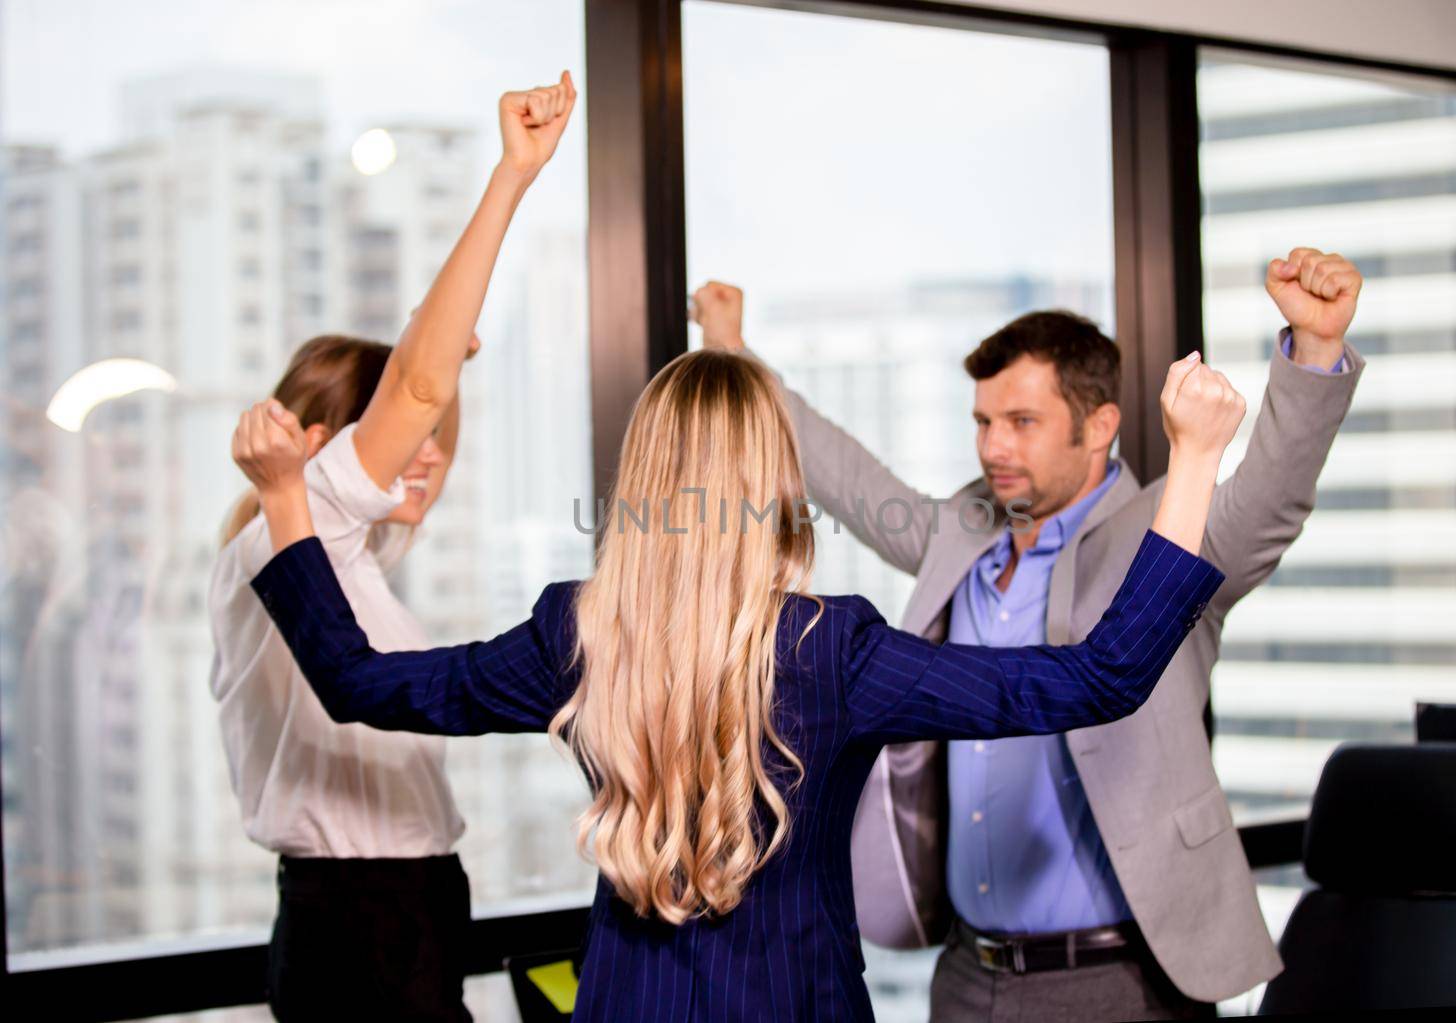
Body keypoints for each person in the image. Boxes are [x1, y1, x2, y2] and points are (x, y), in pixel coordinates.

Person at [229, 331, 1242, 1020]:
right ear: (772, 482)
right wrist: (1190, 459)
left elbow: (358, 680)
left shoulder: (570, 633)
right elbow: (1099, 679)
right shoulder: (833, 649)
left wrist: (286, 498)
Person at [691, 251, 1364, 1021]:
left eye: (1021, 422)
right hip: (967, 972)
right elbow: (842, 472)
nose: (993, 448)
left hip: (1121, 979)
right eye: (983, 421)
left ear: (1099, 426)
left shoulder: (1167, 536)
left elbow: (1269, 501)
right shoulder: (962, 531)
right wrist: (731, 352)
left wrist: (1313, 352)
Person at [208, 73, 577, 1021]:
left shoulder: (348, 559)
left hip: (404, 906)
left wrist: (439, 350)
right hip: (357, 916)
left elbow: (422, 384)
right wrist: (512, 177)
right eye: (404, 435)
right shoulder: (282, 536)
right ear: (315, 443)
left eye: (437, 439)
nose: (429, 455)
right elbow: (413, 387)